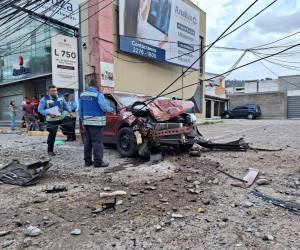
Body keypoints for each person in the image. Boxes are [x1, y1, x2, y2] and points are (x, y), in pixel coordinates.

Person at [79, 79, 113, 168]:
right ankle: (98, 162)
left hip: (86, 123)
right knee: (97, 142)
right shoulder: (98, 95)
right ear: (96, 85)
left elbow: (80, 109)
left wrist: (82, 120)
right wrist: (111, 110)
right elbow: (104, 107)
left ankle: (87, 161)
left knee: (87, 142)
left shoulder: (82, 95)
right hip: (97, 124)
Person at [38, 85, 73, 156]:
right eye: (52, 91)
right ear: (49, 91)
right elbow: (40, 109)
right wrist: (48, 113)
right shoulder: (44, 99)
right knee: (52, 134)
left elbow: (65, 105)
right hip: (51, 120)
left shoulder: (60, 97)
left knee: (71, 126)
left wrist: (70, 112)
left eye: (55, 90)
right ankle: (50, 151)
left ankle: (63, 129)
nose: (54, 92)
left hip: (61, 117)